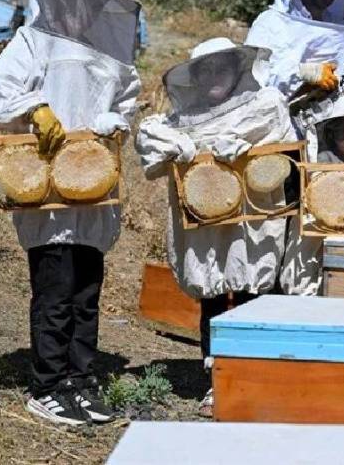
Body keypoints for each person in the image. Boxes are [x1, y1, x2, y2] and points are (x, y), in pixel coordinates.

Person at [0, 0, 142, 426]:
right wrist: (35, 107)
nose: (85, 9)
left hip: (94, 186)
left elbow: (126, 103)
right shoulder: (34, 41)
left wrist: (115, 122)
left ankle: (79, 382)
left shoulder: (114, 58)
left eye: (95, 2)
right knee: (55, 290)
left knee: (86, 290)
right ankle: (47, 386)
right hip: (45, 188)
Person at [135, 37, 296, 416]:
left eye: (220, 67)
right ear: (194, 77)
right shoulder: (184, 119)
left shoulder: (264, 106)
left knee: (251, 299)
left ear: (237, 69)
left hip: (251, 226)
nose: (213, 76)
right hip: (205, 226)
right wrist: (182, 146)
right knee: (213, 301)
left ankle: (252, 379)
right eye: (204, 70)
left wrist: (243, 145)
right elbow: (150, 138)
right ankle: (217, 380)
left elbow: (284, 143)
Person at [245, 0, 344, 297]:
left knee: (328, 222)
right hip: (283, 143)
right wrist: (304, 74)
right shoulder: (271, 23)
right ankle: (270, 302)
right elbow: (254, 77)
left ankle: (315, 299)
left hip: (335, 143)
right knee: (277, 228)